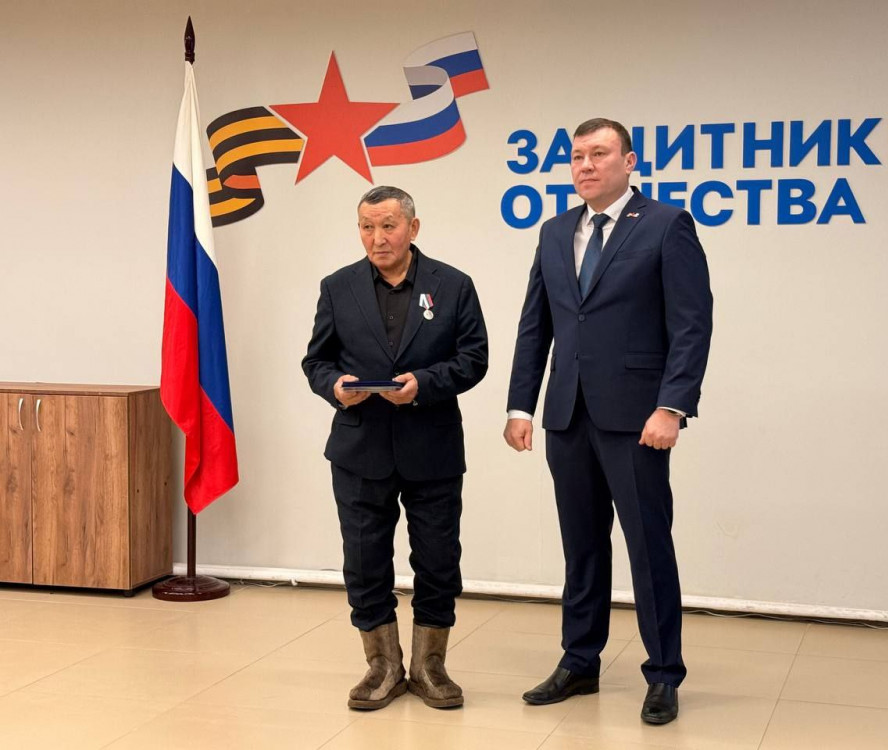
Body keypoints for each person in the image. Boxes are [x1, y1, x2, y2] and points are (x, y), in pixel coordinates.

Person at [504, 118, 712, 725]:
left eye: (599, 154)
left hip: (638, 417)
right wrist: (520, 405)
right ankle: (579, 661)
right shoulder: (554, 231)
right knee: (582, 547)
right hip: (567, 414)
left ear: (629, 161)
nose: (586, 165)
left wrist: (672, 406)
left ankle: (664, 673)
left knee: (648, 546)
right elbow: (535, 325)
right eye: (577, 156)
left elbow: (691, 323)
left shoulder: (667, 225)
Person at [303, 186, 488, 711]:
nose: (377, 237)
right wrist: (335, 386)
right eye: (367, 227)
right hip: (359, 448)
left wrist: (424, 384)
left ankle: (430, 666)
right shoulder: (338, 287)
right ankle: (382, 665)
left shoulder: (453, 285)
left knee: (437, 559)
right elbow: (316, 361)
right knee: (364, 560)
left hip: (432, 447)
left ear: (413, 227)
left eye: (388, 226)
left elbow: (474, 358)